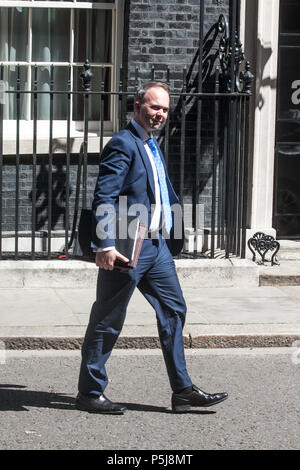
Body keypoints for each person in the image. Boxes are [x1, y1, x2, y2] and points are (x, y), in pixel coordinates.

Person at [75, 81, 228, 414]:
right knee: (108, 318)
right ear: (137, 107)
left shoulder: (151, 144)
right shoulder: (123, 143)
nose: (160, 114)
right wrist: (105, 243)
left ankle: (182, 390)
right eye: (154, 107)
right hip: (128, 241)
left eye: (165, 109)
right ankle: (89, 391)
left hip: (156, 244)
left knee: (174, 310)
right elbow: (104, 195)